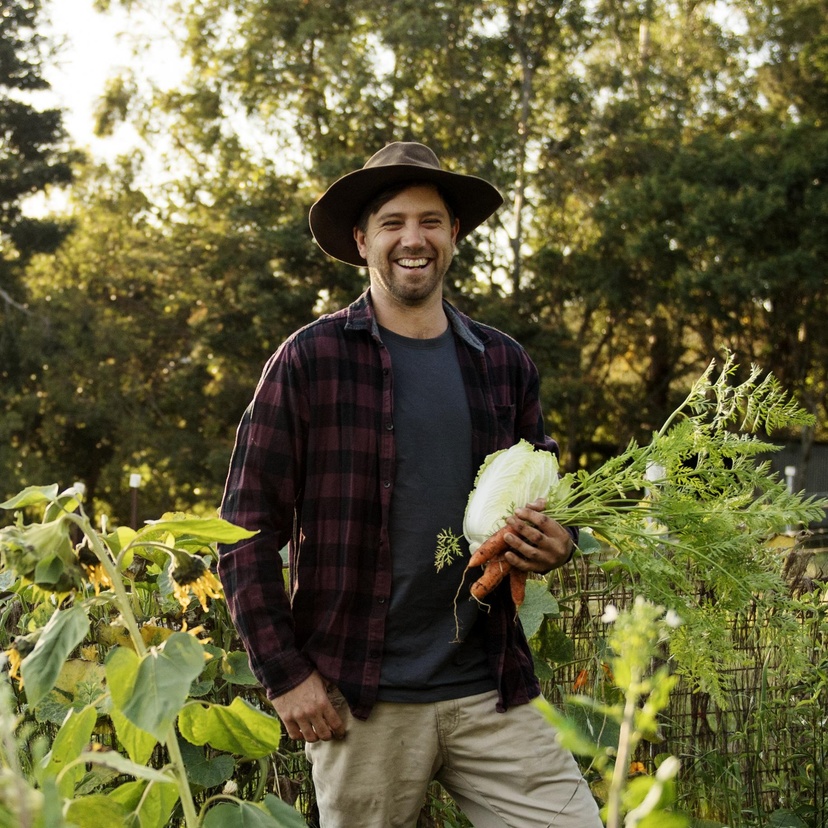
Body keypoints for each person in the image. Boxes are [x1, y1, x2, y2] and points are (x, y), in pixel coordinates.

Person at [218, 141, 602, 828]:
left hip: (490, 688)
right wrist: (285, 673)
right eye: (393, 222)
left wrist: (559, 540)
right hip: (363, 698)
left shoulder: (503, 363)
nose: (413, 239)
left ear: (455, 234)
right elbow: (244, 528)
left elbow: (552, 491)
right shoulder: (310, 361)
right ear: (363, 240)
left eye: (430, 220)